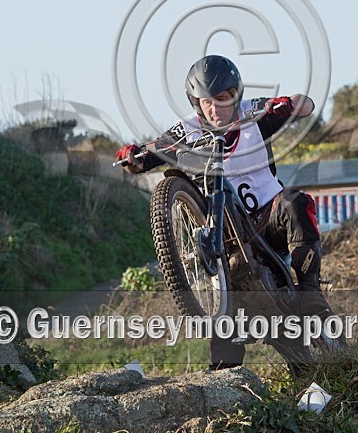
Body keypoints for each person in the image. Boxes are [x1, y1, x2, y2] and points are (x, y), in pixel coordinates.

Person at [116, 54, 335, 372]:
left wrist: (285, 104)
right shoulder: (184, 133)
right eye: (207, 102)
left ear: (236, 94)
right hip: (227, 238)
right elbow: (144, 158)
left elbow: (307, 105)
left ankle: (310, 290)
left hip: (268, 221)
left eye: (223, 99)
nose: (216, 109)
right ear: (196, 102)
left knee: (295, 201)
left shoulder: (254, 114)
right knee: (224, 356)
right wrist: (132, 156)